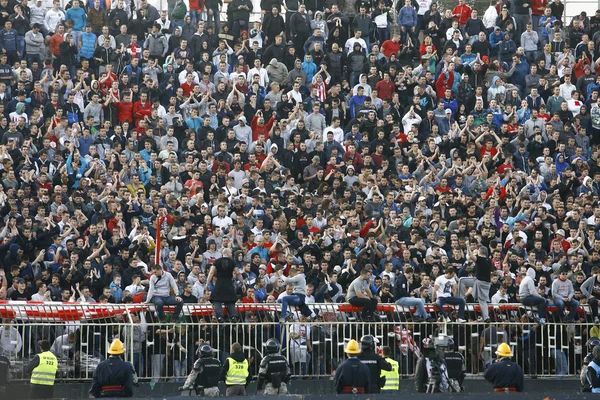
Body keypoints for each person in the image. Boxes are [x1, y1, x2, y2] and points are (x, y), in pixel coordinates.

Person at [207, 248, 241, 323]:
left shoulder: (217, 261)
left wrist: (207, 283)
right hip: (229, 283)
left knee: (216, 300)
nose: (232, 255)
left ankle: (219, 316)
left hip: (219, 283)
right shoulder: (232, 262)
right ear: (228, 253)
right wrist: (243, 283)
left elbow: (211, 273)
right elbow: (237, 273)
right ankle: (233, 316)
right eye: (231, 253)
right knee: (230, 301)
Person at [469, 246, 493, 323]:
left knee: (482, 300)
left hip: (480, 282)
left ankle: (486, 317)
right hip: (486, 282)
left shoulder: (481, 259)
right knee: (482, 300)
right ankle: (485, 316)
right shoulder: (488, 260)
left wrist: (467, 246)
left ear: (480, 252)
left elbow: (470, 256)